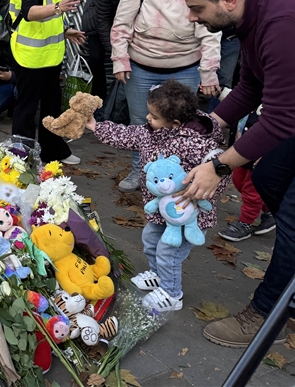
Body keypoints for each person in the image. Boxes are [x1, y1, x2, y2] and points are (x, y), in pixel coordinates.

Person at [179, 0, 295, 347]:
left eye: (196, 9)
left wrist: (218, 167)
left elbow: (278, 122)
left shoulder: (282, 25)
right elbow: (249, 88)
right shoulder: (249, 18)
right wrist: (205, 126)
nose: (192, 17)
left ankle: (266, 316)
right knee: (268, 177)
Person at [85, 80, 227, 311]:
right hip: (161, 207)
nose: (148, 119)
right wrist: (96, 126)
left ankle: (172, 295)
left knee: (169, 253)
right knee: (151, 241)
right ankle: (158, 275)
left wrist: (197, 194)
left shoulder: (196, 144)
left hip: (187, 215)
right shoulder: (151, 132)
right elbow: (126, 135)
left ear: (175, 123)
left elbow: (218, 172)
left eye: (154, 116)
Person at [110, 0, 222, 192]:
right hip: (140, 68)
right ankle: (141, 172)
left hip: (184, 68)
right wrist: (120, 60)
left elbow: (210, 33)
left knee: (180, 126)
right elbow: (121, 26)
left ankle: (177, 175)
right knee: (142, 124)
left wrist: (208, 73)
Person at [8, 0, 85, 164]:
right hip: (29, 56)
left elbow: (48, 14)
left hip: (49, 55)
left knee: (52, 106)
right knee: (27, 109)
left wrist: (64, 31)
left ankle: (53, 151)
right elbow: (29, 12)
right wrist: (61, 7)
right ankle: (20, 157)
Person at [80, 0, 146, 101]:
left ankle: (122, 97)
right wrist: (115, 51)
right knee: (96, 58)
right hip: (96, 17)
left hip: (126, 18)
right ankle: (99, 98)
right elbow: (102, 22)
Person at [217, 103, 277, 242]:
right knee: (239, 182)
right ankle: (270, 211)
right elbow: (235, 97)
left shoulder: (275, 103)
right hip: (240, 151)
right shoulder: (253, 93)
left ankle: (245, 223)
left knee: (252, 192)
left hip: (259, 156)